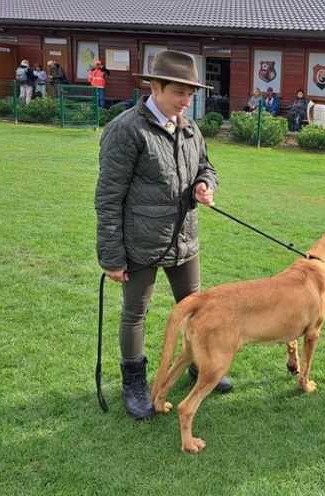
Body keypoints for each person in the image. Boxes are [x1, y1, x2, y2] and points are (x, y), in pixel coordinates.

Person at [95, 50, 232, 420]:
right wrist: (111, 256)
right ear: (155, 87)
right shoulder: (127, 129)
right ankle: (135, 383)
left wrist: (204, 184)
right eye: (178, 92)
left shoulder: (188, 126)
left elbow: (207, 166)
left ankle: (197, 367)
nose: (186, 101)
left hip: (184, 239)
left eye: (191, 93)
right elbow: (108, 197)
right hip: (140, 243)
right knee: (135, 313)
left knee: (197, 309)